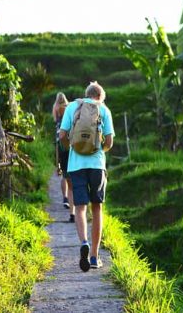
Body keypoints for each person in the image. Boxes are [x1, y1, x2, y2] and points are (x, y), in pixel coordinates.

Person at [59, 81, 114, 272]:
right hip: (97, 165)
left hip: (76, 165)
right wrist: (100, 150)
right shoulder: (104, 109)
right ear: (100, 97)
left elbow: (62, 135)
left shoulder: (73, 106)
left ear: (87, 94)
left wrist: (72, 147)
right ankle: (94, 257)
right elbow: (109, 141)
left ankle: (84, 242)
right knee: (97, 208)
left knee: (80, 207)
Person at [52, 92, 75, 222]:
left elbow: (55, 120)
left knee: (64, 173)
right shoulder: (69, 107)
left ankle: (65, 197)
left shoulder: (56, 107)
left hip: (59, 136)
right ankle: (74, 207)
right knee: (72, 176)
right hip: (69, 137)